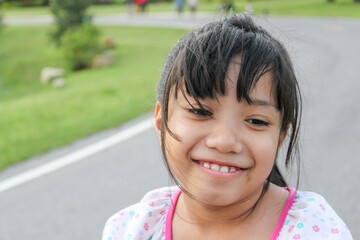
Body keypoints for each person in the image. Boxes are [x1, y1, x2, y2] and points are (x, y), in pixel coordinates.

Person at [102, 14, 353, 240]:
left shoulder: (315, 231)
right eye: (200, 111)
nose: (224, 141)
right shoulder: (131, 229)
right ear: (161, 120)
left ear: (280, 136)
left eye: (256, 121)